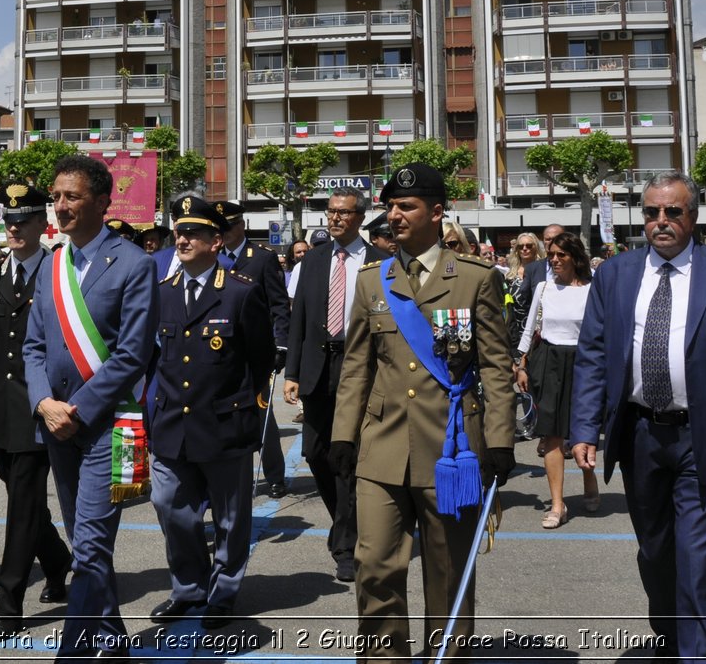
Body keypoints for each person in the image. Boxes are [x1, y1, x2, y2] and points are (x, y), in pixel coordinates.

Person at [571, 171, 706, 663]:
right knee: (656, 551)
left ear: (693, 216)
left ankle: (698, 653)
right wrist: (584, 428)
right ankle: (669, 636)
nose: (661, 222)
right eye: (651, 212)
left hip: (704, 436)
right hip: (640, 435)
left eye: (672, 212)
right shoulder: (616, 274)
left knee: (696, 556)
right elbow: (593, 356)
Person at [332, 164, 516, 663]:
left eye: (406, 207)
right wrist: (343, 436)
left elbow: (497, 368)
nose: (394, 215)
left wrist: (499, 440)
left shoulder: (477, 279)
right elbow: (356, 367)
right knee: (373, 566)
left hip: (451, 450)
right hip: (383, 446)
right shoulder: (374, 281)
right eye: (390, 206)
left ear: (436, 213)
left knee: (448, 570)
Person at [24, 153, 160, 660]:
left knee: (93, 546)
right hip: (57, 424)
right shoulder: (51, 263)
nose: (59, 207)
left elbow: (133, 353)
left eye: (71, 196)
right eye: (56, 197)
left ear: (102, 202)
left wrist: (74, 408)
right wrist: (43, 402)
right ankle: (111, 639)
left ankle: (75, 651)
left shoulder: (134, 263)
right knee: (83, 540)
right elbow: (33, 346)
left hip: (114, 425)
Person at [147, 196, 273, 630]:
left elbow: (259, 360)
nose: (182, 239)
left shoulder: (239, 292)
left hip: (222, 421)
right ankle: (188, 588)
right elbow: (151, 358)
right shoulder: (161, 292)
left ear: (216, 241)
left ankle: (222, 592)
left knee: (230, 516)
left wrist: (248, 412)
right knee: (168, 505)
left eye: (194, 233)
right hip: (171, 422)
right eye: (179, 232)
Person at [0, 183, 71, 645]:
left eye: (24, 221)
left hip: (38, 408)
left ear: (42, 225)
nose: (14, 228)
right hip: (0, 411)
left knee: (21, 508)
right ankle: (56, 561)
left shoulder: (58, 274)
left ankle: (8, 603)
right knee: (27, 504)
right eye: (9, 221)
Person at [282, 189, 387, 582]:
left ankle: (347, 545)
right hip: (317, 365)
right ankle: (342, 525)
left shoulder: (379, 262)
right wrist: (292, 371)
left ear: (359, 217)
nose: (335, 219)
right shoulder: (313, 260)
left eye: (343, 213)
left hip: (359, 365)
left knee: (350, 455)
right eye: (331, 212)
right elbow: (299, 320)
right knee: (316, 451)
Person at [515, 231, 599, 527]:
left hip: (581, 361)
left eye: (561, 255)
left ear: (575, 258)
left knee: (580, 429)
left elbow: (600, 332)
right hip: (547, 360)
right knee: (550, 433)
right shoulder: (544, 288)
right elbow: (529, 327)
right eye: (551, 255)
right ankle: (558, 504)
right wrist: (520, 363)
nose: (554, 260)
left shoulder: (592, 289)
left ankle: (590, 478)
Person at [216, 200, 290, 498]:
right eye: (219, 228)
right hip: (222, 350)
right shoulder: (213, 257)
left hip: (256, 349)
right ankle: (234, 476)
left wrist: (281, 343)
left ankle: (274, 475)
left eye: (229, 226)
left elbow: (279, 305)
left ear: (241, 226)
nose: (224, 232)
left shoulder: (261, 258)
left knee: (261, 414)